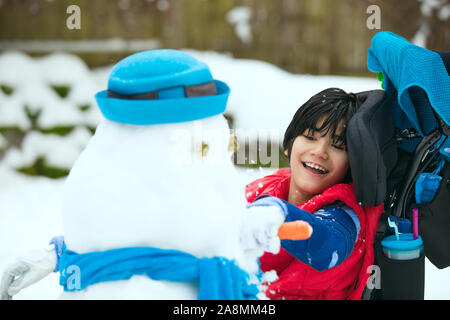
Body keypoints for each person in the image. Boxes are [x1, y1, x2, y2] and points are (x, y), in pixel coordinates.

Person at [245, 88, 384, 300]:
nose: (319, 152)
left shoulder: (344, 212)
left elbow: (327, 246)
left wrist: (277, 213)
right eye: (310, 136)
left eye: (338, 145)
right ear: (289, 144)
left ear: (352, 165)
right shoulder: (265, 187)